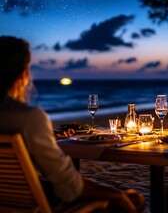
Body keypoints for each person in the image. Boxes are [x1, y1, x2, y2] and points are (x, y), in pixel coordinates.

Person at [0, 36, 145, 213]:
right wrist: (118, 195)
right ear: (23, 74)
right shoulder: (29, 118)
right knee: (133, 199)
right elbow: (70, 187)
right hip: (38, 206)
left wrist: (48, 137)